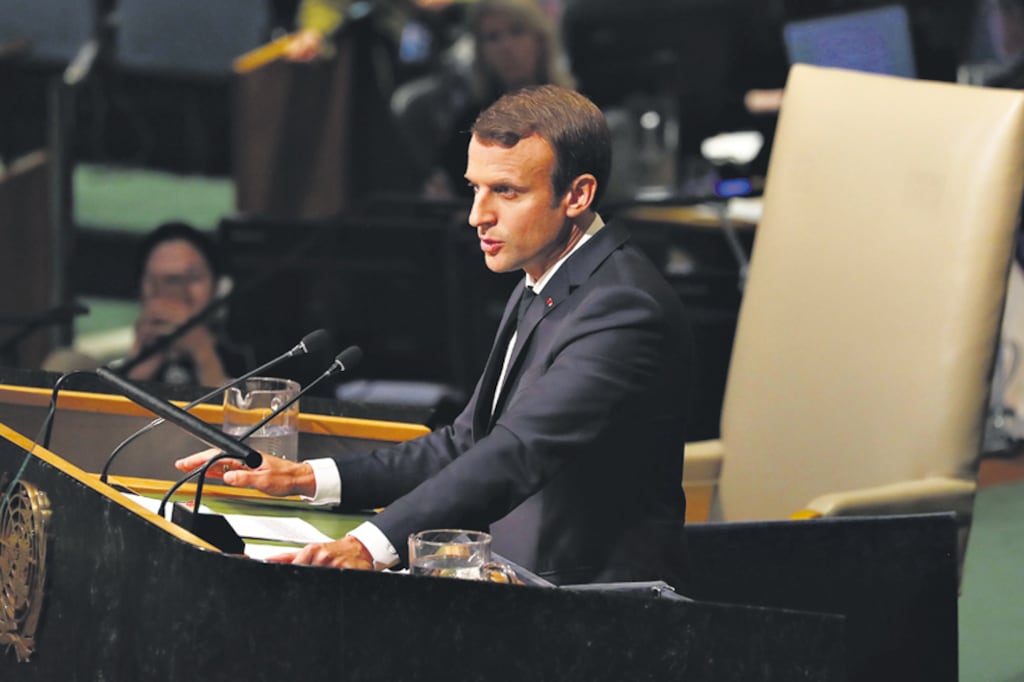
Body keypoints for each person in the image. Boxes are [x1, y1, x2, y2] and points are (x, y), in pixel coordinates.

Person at [178, 85, 694, 587]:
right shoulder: (545, 279)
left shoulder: (622, 308)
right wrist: (302, 478)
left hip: (598, 615)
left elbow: (517, 452)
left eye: (506, 192)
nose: (477, 216)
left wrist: (369, 545)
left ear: (578, 194)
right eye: (475, 188)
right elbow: (465, 443)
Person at [412, 0, 577, 198]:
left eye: (517, 32)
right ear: (481, 52)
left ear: (540, 39)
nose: (506, 47)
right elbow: (444, 194)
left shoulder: (576, 114)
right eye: (492, 38)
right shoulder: (470, 123)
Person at [125, 222, 250, 387]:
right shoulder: (129, 360)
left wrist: (202, 352)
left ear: (218, 286)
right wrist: (142, 362)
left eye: (192, 278)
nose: (174, 293)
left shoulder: (246, 355)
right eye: (157, 281)